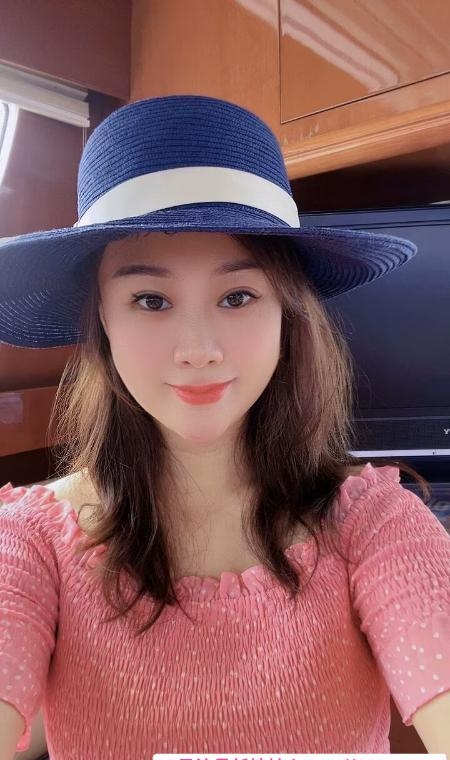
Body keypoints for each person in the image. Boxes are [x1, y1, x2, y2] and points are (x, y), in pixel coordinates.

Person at [0, 94, 449, 760]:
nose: (199, 349)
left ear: (286, 313)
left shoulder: (376, 525)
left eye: (237, 296)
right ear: (101, 321)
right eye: (150, 299)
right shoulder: (29, 542)